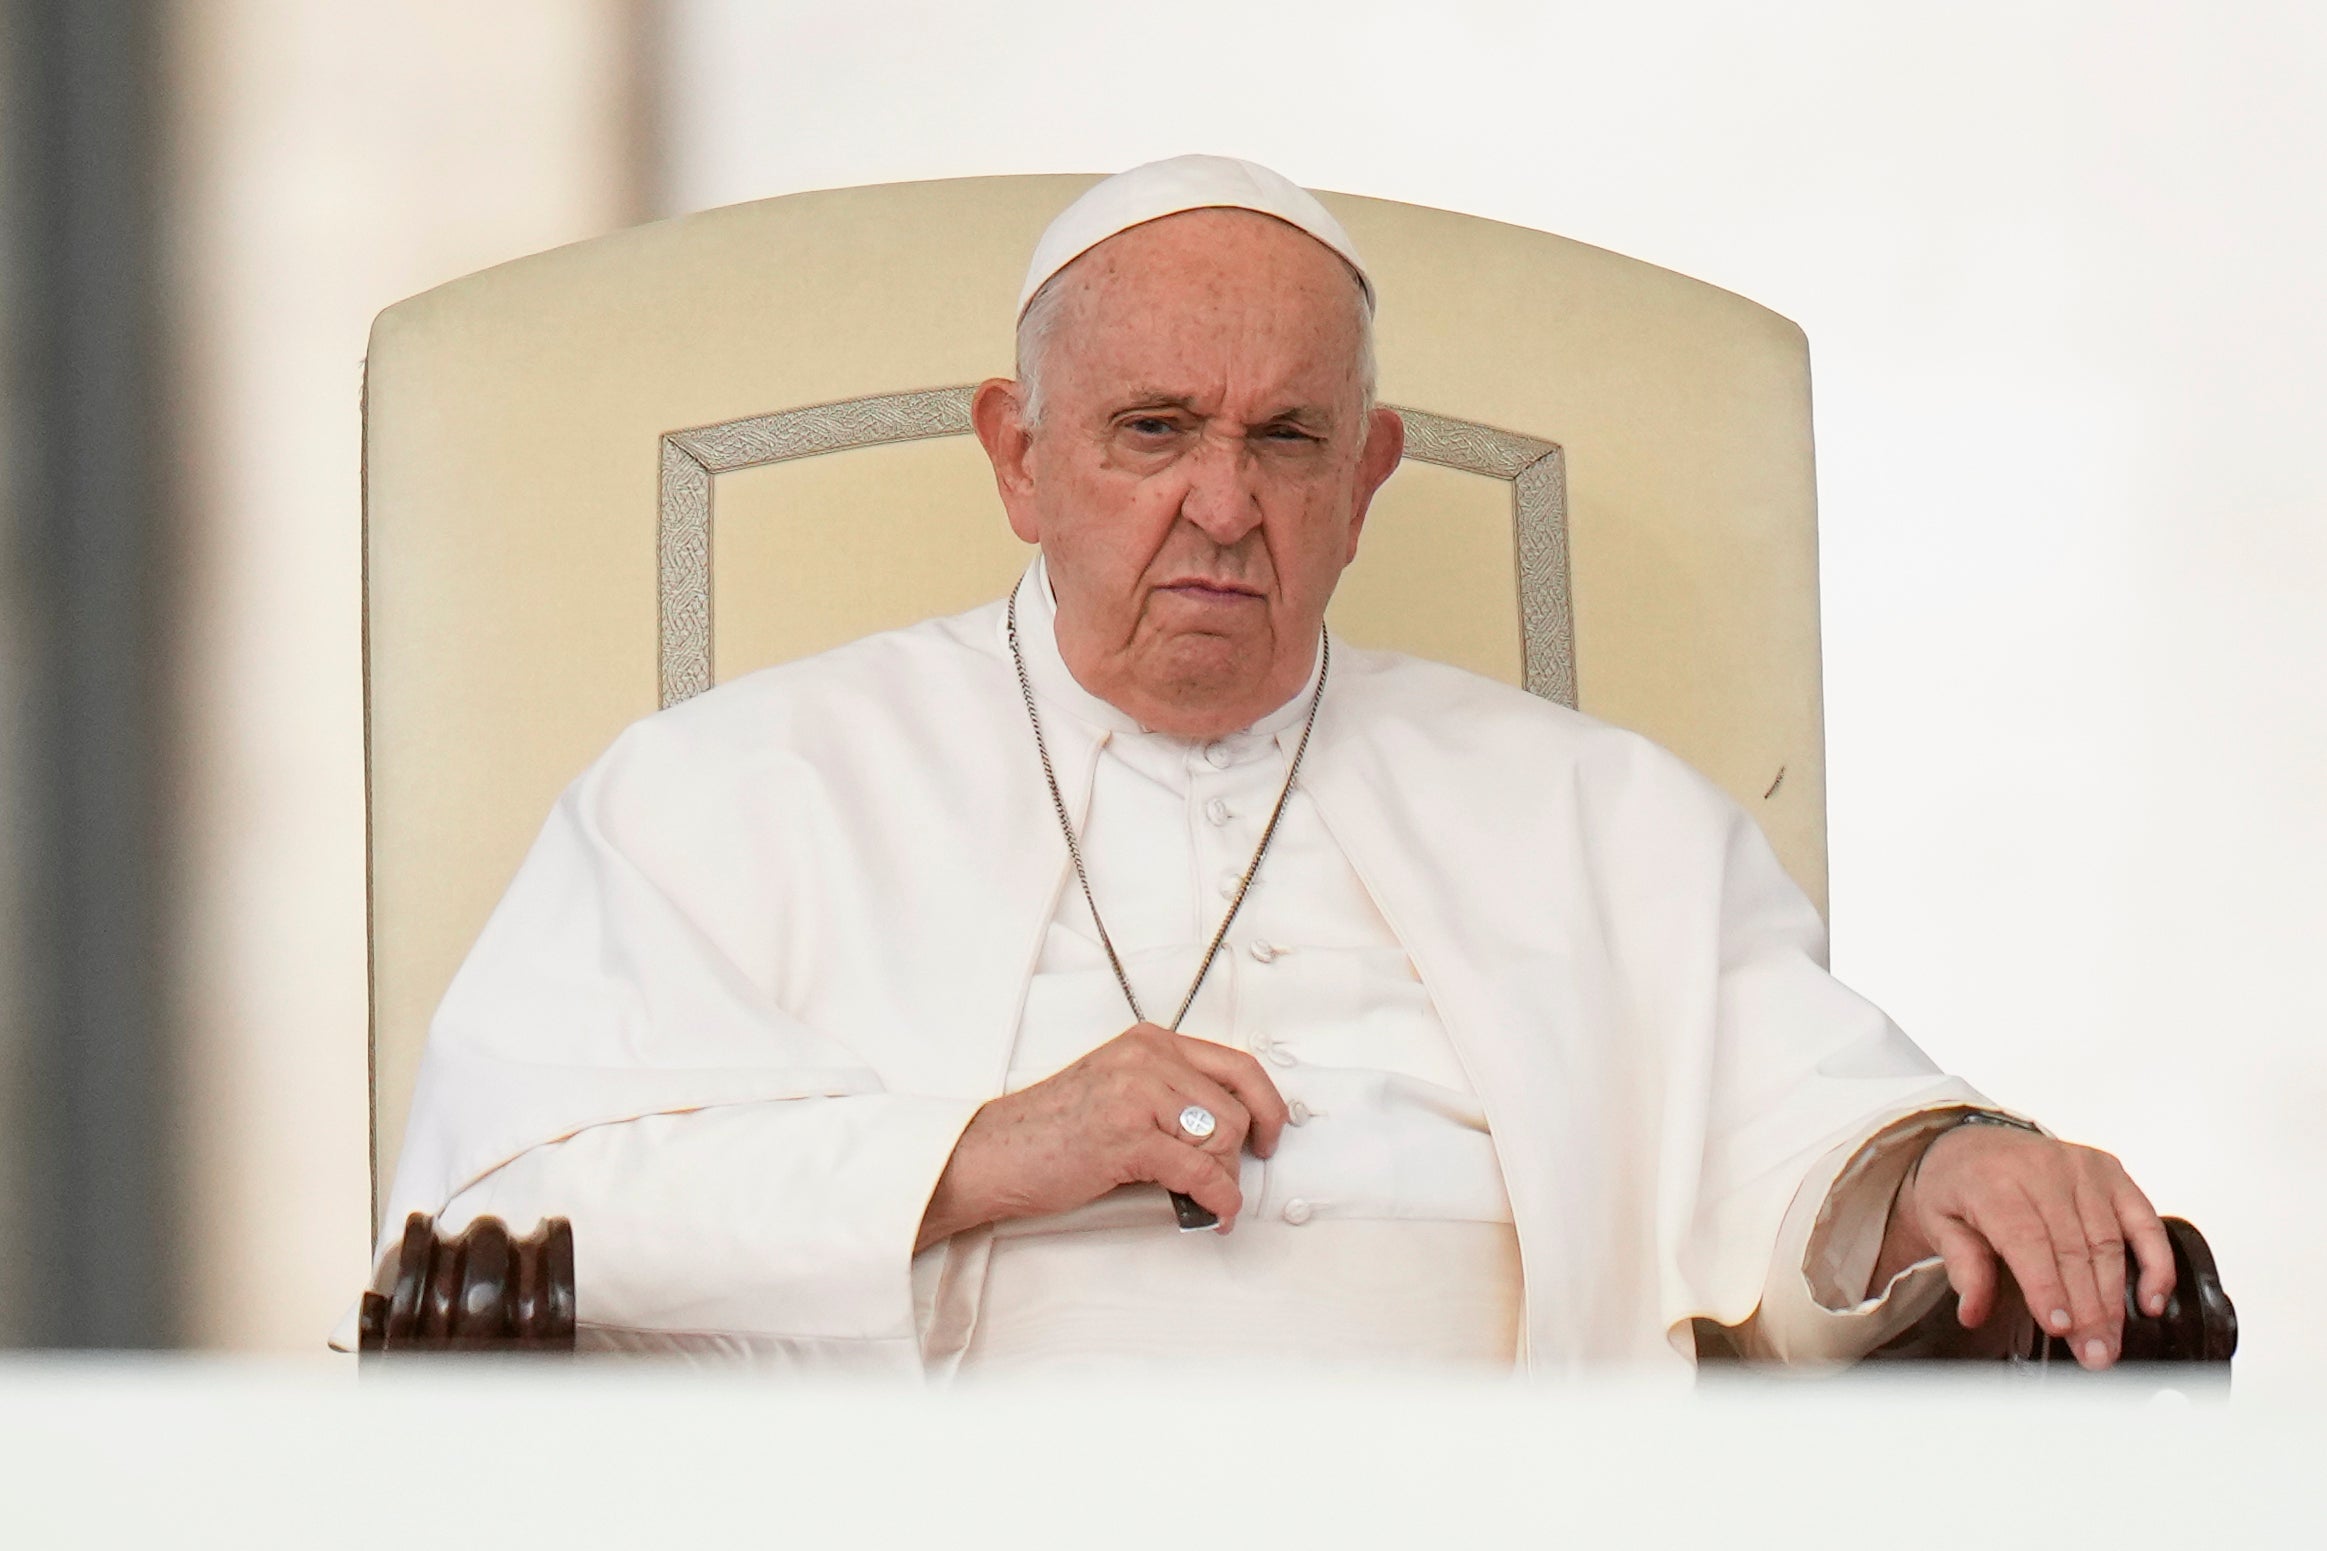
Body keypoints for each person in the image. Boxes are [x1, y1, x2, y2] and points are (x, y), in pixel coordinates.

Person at [356, 155, 2174, 1376]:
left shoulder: (1596, 815)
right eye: (1153, 431)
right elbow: (502, 1212)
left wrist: (1943, 1169)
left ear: (1368, 477)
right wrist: (982, 1155)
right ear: (1019, 456)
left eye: (1286, 438)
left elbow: (1810, 1131)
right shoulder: (727, 794)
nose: (1221, 506)